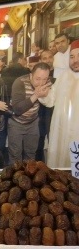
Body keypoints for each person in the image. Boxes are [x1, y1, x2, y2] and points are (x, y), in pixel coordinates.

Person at [8, 61, 52, 164]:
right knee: (15, 155)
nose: (41, 83)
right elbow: (17, 109)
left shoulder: (48, 82)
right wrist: (36, 95)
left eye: (44, 79)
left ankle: (28, 174)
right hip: (16, 123)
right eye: (38, 79)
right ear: (31, 75)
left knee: (31, 154)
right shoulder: (20, 82)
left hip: (33, 123)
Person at [46, 40, 79, 168]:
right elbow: (51, 100)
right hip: (61, 131)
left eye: (78, 56)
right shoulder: (62, 77)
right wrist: (42, 93)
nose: (75, 60)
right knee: (61, 172)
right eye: (72, 57)